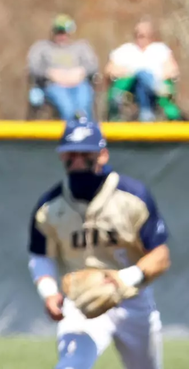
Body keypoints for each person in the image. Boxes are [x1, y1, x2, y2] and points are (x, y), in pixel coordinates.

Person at [28, 117, 169, 369]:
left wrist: (123, 280)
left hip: (133, 299)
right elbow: (40, 255)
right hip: (82, 299)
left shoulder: (132, 196)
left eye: (86, 153)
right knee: (72, 365)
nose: (78, 160)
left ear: (102, 155)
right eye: (71, 153)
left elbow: (160, 255)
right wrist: (49, 293)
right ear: (62, 156)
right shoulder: (49, 206)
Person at [105, 19, 181, 122]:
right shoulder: (126, 50)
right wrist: (131, 73)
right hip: (130, 87)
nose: (141, 38)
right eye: (139, 35)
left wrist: (157, 76)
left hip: (151, 87)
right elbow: (109, 70)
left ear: (151, 36)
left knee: (143, 82)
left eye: (145, 35)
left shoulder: (160, 49)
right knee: (140, 75)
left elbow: (173, 70)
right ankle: (156, 88)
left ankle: (146, 114)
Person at [27, 14, 99, 120]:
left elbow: (93, 65)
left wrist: (81, 71)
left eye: (65, 32)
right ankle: (69, 133)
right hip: (52, 85)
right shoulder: (41, 48)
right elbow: (33, 67)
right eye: (59, 32)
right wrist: (50, 73)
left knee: (83, 106)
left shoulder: (81, 47)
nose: (62, 36)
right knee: (67, 107)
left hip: (79, 84)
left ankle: (86, 132)